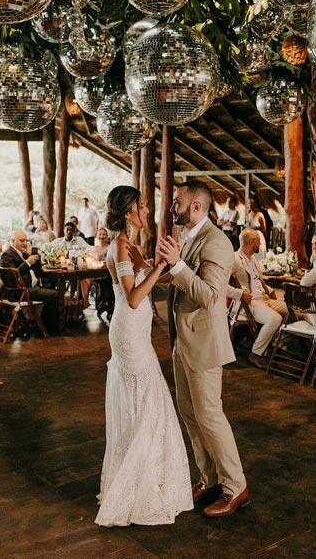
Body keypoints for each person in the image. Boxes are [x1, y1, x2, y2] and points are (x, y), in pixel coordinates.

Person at [95, 186, 192, 527]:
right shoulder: (120, 247)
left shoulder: (132, 246)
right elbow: (134, 297)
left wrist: (172, 263)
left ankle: (148, 476)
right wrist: (160, 266)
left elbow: (152, 280)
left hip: (139, 332)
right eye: (140, 205)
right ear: (126, 211)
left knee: (147, 401)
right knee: (146, 401)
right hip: (129, 331)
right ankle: (138, 486)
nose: (145, 209)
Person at [157, 180, 248, 518]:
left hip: (205, 343)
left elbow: (210, 295)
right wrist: (153, 274)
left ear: (195, 206)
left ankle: (235, 487)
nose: (171, 208)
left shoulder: (218, 242)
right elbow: (180, 281)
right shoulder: (189, 238)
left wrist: (177, 266)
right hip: (183, 341)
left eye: (176, 202)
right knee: (190, 414)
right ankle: (208, 479)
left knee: (210, 416)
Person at [229, 228, 288, 369]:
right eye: (258, 241)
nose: (260, 243)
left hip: (264, 298)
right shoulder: (234, 259)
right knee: (275, 319)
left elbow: (258, 281)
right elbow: (221, 285)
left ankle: (272, 345)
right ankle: (256, 353)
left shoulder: (253, 258)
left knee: (291, 311)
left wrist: (271, 290)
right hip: (250, 302)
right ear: (250, 243)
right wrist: (240, 293)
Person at [0, 231, 58, 335]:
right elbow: (12, 276)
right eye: (21, 240)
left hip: (30, 288)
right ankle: (48, 328)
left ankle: (41, 324)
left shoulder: (23, 253)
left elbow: (39, 272)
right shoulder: (7, 255)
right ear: (13, 241)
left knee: (53, 288)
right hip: (19, 291)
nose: (25, 243)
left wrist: (35, 257)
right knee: (54, 294)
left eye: (26, 240)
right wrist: (27, 262)